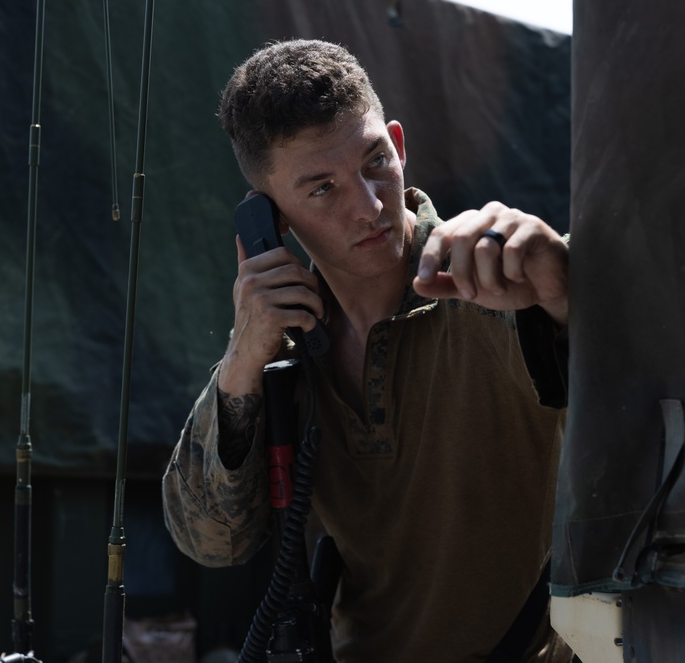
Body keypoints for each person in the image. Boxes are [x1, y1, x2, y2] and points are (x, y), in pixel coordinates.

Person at [162, 39, 571, 663]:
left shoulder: (498, 283)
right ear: (273, 221)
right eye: (322, 189)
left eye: (375, 160)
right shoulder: (285, 350)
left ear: (400, 145)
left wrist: (566, 285)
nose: (370, 205)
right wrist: (243, 361)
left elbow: (649, 376)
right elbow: (210, 541)